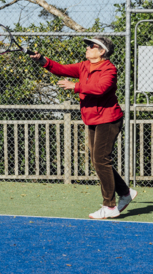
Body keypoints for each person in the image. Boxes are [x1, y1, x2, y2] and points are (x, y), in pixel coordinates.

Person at [30, 37, 136, 219]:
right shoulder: (84, 66)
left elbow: (101, 88)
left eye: (91, 46)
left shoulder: (109, 69)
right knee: (99, 161)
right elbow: (62, 69)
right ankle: (125, 193)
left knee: (101, 160)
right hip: (93, 118)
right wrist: (43, 61)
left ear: (102, 51)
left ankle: (110, 206)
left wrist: (76, 86)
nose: (87, 48)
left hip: (108, 119)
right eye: (87, 46)